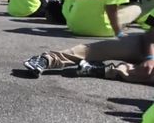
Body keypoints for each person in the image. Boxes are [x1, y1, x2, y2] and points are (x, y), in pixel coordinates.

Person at [23, 25, 154, 83]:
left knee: (148, 73)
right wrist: (150, 57)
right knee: (96, 49)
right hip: (147, 46)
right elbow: (149, 36)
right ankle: (47, 60)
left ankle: (100, 71)